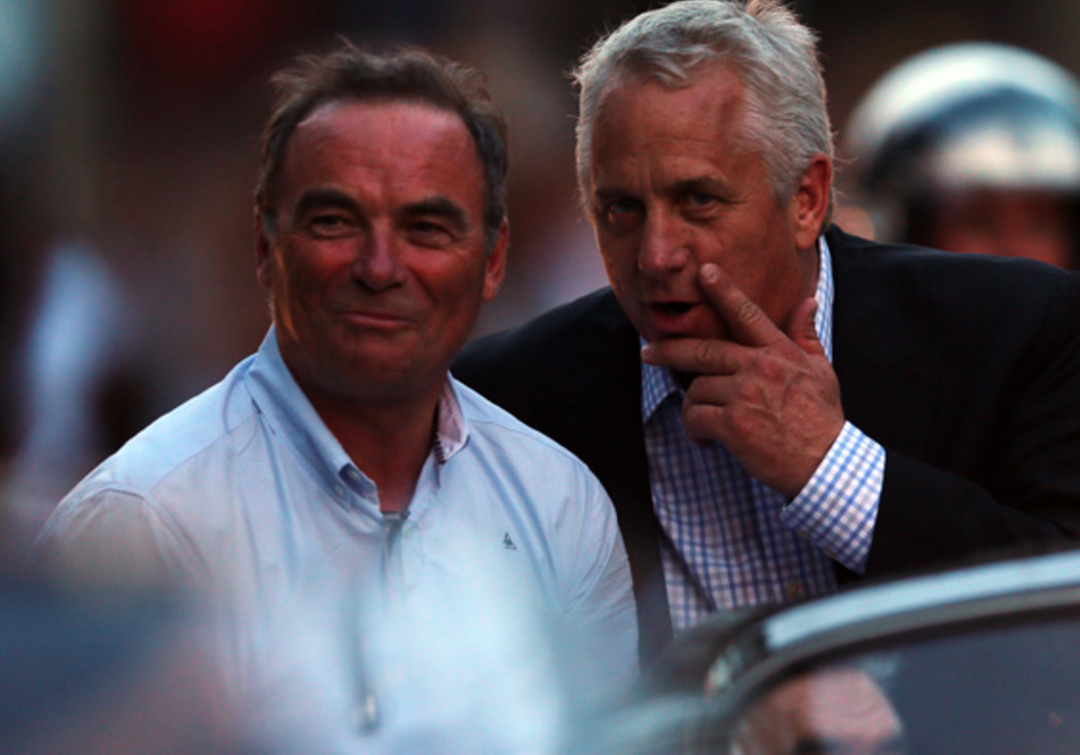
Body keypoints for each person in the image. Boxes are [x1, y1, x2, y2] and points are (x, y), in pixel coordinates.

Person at [453, 0, 1080, 667]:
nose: (656, 254)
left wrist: (832, 469)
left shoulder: (1008, 328)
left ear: (808, 200)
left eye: (698, 201)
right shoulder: (512, 398)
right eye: (621, 210)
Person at [35, 43, 637, 748]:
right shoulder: (142, 523)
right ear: (265, 245)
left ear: (494, 259)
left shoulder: (558, 502)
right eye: (336, 222)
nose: (380, 267)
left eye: (426, 228)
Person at [842, 42, 1080, 526]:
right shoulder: (826, 419)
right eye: (977, 219)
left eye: (1040, 223)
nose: (1013, 249)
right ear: (902, 228)